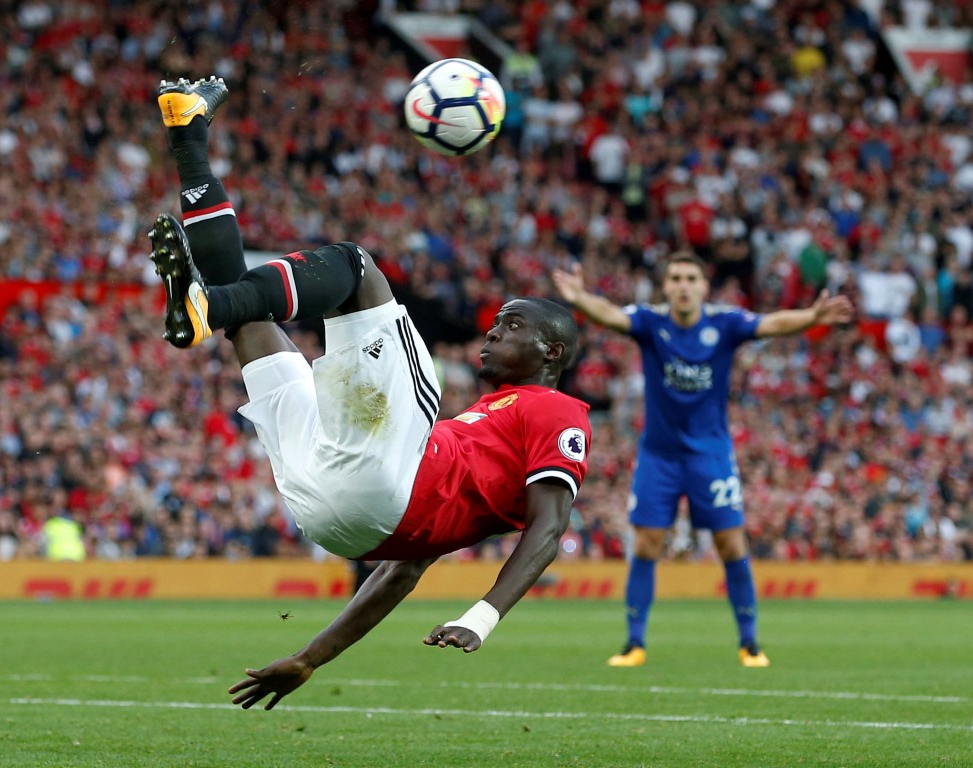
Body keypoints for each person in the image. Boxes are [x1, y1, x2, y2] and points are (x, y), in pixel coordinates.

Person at [152, 76, 592, 709]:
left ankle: (205, 305)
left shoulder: (556, 410)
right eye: (498, 319)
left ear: (552, 352)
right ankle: (189, 138)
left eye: (513, 324)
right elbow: (402, 571)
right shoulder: (488, 423)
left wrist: (484, 614)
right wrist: (310, 657)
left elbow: (550, 529)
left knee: (357, 268)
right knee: (248, 318)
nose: (494, 329)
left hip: (382, 489)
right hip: (334, 517)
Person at [552, 255, 853, 667]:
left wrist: (812, 316)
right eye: (675, 278)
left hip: (710, 454)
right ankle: (634, 643)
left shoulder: (725, 325)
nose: (683, 285)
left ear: (703, 286)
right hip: (659, 455)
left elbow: (771, 324)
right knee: (647, 543)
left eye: (691, 278)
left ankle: (749, 643)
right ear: (666, 286)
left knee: (730, 543)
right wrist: (581, 298)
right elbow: (610, 316)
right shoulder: (650, 323)